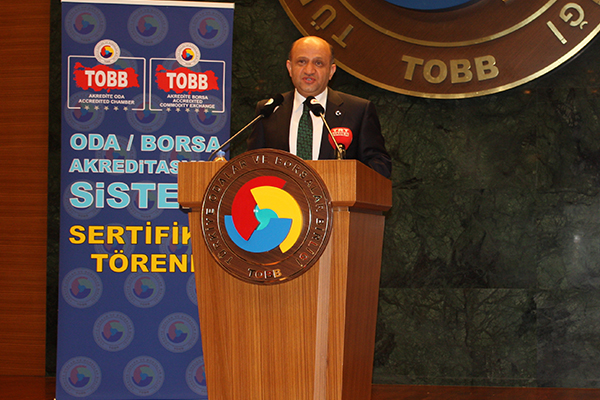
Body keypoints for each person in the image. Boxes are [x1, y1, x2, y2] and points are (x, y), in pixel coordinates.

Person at [247, 36, 392, 179]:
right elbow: (252, 165)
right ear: (290, 68)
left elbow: (379, 167)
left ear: (331, 71)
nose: (309, 70)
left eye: (318, 63)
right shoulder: (268, 111)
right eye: (302, 62)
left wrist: (344, 181)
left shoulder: (357, 110)